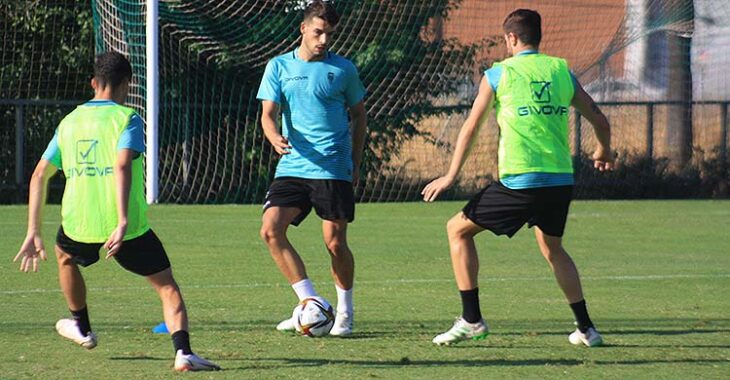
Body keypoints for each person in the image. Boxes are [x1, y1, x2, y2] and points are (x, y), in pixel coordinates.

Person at [13, 52, 220, 371]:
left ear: (94, 83)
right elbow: (123, 163)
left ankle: (82, 327)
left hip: (78, 223)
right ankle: (183, 353)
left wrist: (33, 231)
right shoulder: (128, 118)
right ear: (127, 83)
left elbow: (39, 174)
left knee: (64, 256)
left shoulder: (70, 121)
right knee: (166, 286)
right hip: (127, 226)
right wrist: (122, 221)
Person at [421, 9, 614, 347]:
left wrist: (450, 175)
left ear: (510, 38)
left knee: (457, 230)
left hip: (521, 181)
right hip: (559, 180)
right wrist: (603, 151)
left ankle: (471, 320)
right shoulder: (560, 71)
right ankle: (586, 329)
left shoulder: (499, 74)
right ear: (538, 37)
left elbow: (471, 127)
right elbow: (600, 120)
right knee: (552, 248)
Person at [256, 0, 367, 337]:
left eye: (329, 34)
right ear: (303, 28)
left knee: (334, 243)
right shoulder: (278, 67)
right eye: (318, 32)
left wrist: (356, 162)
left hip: (333, 167)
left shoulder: (342, 69)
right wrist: (274, 136)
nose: (323, 40)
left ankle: (344, 312)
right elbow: (267, 114)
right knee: (270, 229)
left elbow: (360, 116)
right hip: (293, 165)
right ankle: (310, 303)